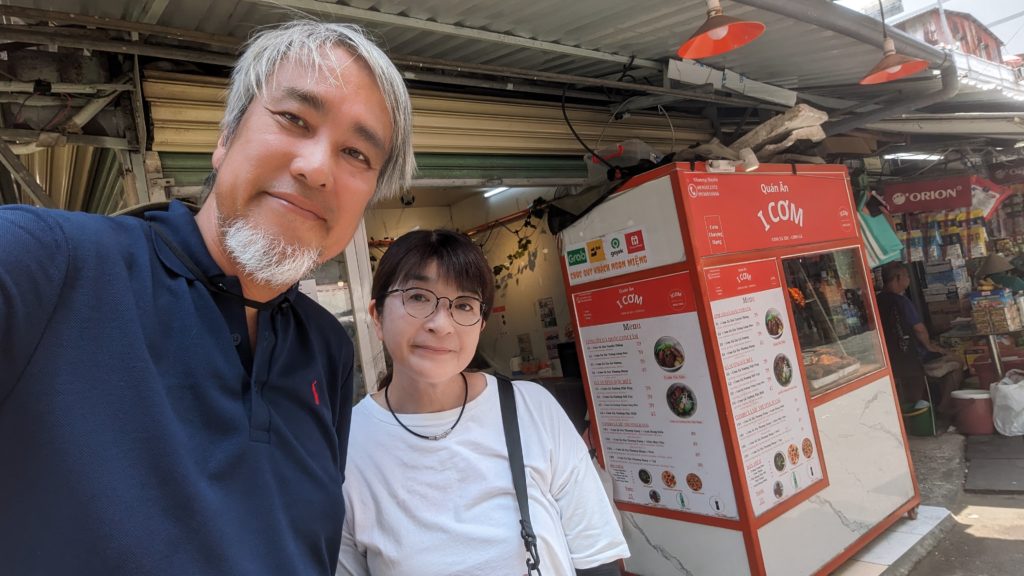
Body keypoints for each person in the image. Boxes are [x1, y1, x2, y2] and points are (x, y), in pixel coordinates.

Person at [0, 20, 414, 575]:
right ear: (225, 139)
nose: (317, 168)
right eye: (294, 119)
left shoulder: (326, 348)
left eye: (357, 154)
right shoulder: (47, 263)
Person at [337, 229, 629, 576]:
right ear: (377, 315)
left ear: (481, 324)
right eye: (417, 297)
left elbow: (596, 558)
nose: (441, 324)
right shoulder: (347, 446)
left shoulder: (531, 410)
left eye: (463, 305)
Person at [876, 262, 947, 407]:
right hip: (910, 357)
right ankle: (944, 407)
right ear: (898, 278)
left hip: (890, 358)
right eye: (907, 276)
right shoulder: (901, 302)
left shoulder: (877, 300)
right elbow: (919, 329)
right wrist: (930, 346)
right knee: (955, 361)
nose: (908, 279)